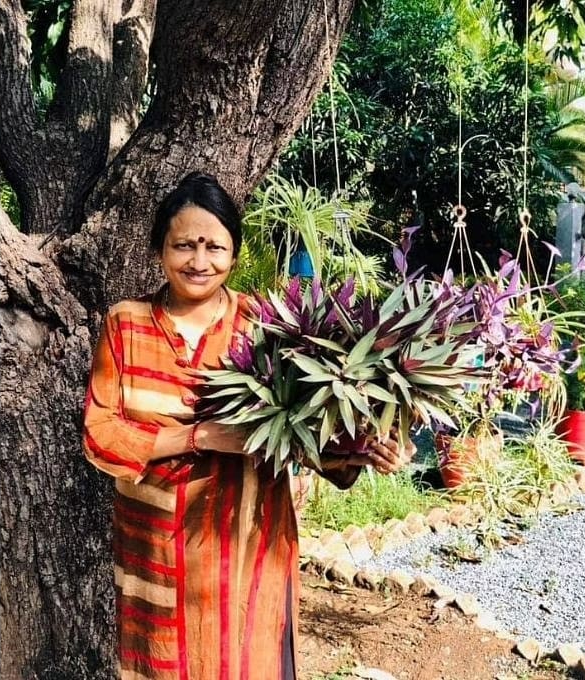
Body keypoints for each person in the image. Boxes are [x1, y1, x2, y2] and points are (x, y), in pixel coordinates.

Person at [82, 173, 413, 680]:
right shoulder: (126, 324)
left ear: (234, 256)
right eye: (184, 245)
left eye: (214, 246)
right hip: (154, 546)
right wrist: (199, 436)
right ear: (159, 250)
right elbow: (102, 431)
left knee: (249, 661)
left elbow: (309, 427)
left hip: (248, 547)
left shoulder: (265, 324)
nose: (199, 261)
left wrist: (367, 449)